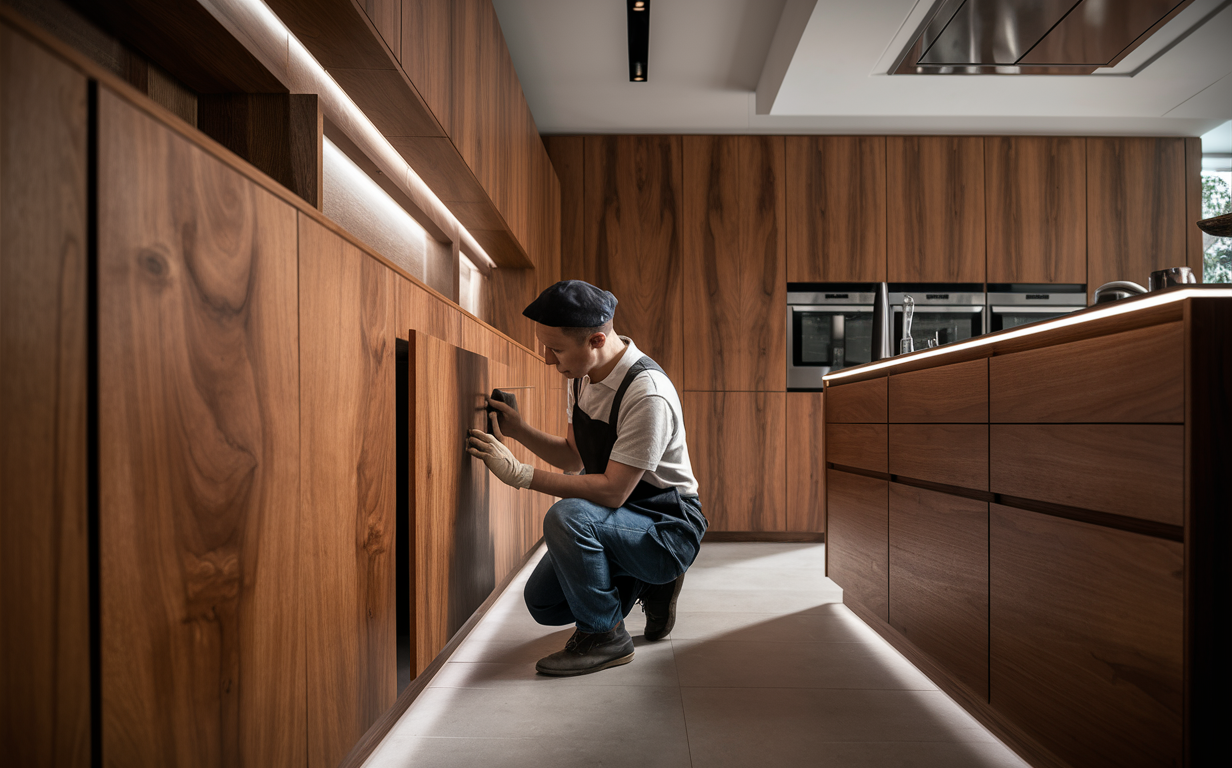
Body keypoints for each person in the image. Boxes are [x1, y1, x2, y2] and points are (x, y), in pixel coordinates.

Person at [466, 280, 707, 676]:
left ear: (596, 340)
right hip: (622, 519)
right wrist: (520, 430)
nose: (547, 359)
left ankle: (605, 636)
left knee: (568, 515)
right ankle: (646, 581)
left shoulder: (647, 394)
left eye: (555, 349)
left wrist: (521, 474)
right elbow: (573, 455)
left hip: (667, 529)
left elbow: (612, 491)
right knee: (544, 602)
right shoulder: (581, 376)